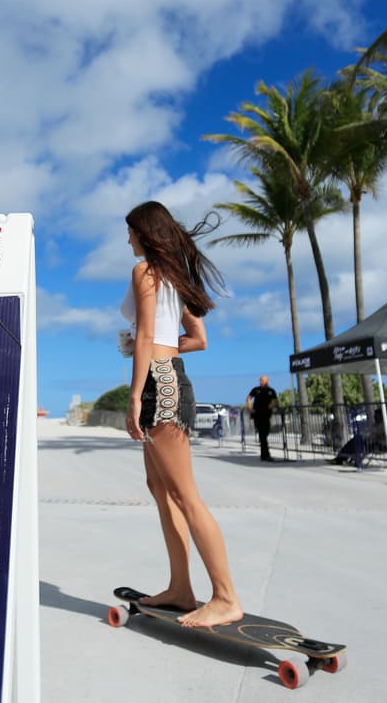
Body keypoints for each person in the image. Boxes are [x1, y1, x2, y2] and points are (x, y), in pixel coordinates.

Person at [119, 200, 242, 628]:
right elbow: (198, 338)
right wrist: (146, 346)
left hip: (160, 383)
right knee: (160, 487)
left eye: (131, 231)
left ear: (146, 233)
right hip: (168, 373)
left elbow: (150, 334)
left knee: (186, 495)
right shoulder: (172, 277)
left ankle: (226, 597)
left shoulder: (146, 273)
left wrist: (135, 394)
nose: (128, 239)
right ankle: (180, 589)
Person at [246, 375, 279, 462]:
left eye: (263, 380)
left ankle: (263, 455)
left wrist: (271, 405)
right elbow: (248, 398)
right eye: (260, 380)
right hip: (258, 415)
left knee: (265, 433)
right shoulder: (256, 390)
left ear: (267, 381)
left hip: (266, 415)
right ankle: (266, 455)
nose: (261, 382)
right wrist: (250, 407)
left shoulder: (271, 391)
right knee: (262, 434)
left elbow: (276, 401)